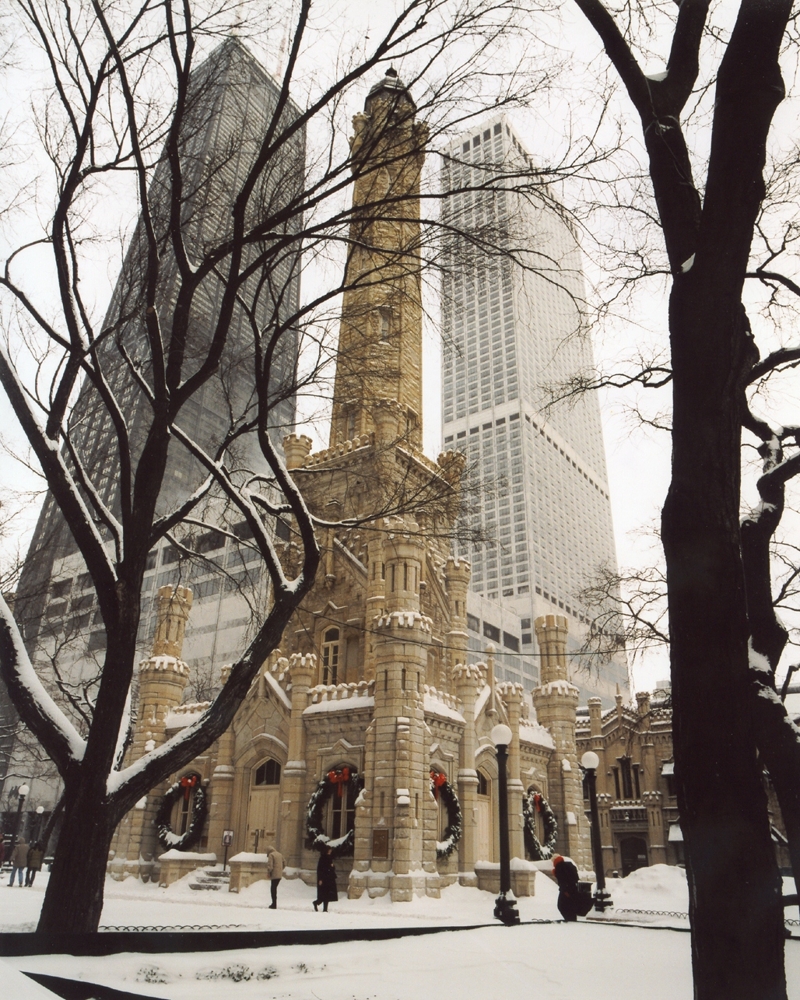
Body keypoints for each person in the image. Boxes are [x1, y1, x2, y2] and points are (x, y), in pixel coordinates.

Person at [552, 854, 581, 921]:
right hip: (573, 888)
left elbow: (562, 880)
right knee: (571, 905)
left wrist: (565, 890)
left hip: (566, 889)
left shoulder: (559, 867)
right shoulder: (569, 864)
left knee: (561, 905)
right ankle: (572, 919)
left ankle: (569, 919)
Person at [313, 845, 338, 913]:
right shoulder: (323, 858)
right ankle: (317, 903)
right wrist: (320, 879)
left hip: (329, 878)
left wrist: (332, 867)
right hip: (324, 878)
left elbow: (331, 868)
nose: (330, 851)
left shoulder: (329, 858)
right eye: (329, 850)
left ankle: (325, 908)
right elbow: (320, 869)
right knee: (323, 894)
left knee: (327, 894)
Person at [265, 844, 284, 909]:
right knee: (274, 888)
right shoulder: (280, 854)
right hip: (279, 875)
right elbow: (284, 863)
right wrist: (280, 869)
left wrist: (268, 872)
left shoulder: (271, 855)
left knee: (273, 889)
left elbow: (270, 865)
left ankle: (274, 904)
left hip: (274, 875)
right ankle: (274, 903)